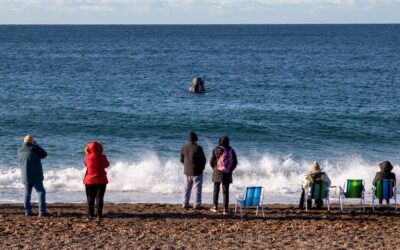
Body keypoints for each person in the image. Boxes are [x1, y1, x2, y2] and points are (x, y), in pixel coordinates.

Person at [18, 135, 48, 216]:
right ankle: (41, 212)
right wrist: (36, 145)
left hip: (25, 176)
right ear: (31, 141)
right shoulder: (34, 148)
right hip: (35, 176)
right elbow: (44, 154)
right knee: (41, 192)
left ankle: (27, 212)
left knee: (27, 193)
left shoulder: (19, 150)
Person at [209, 136, 238, 215]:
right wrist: (230, 169)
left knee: (216, 190)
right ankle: (225, 209)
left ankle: (215, 207)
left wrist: (215, 168)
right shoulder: (231, 150)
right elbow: (235, 162)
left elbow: (211, 161)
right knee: (225, 191)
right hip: (227, 173)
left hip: (217, 172)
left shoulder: (216, 149)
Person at [180, 131, 207, 209]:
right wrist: (202, 168)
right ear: (196, 139)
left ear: (189, 139)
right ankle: (197, 205)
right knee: (197, 189)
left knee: (186, 189)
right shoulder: (198, 148)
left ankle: (185, 204)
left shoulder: (184, 147)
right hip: (197, 171)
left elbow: (181, 159)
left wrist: (186, 165)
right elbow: (203, 160)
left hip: (186, 171)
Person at [83, 141, 110, 219]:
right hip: (101, 180)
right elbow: (107, 165)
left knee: (90, 198)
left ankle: (90, 215)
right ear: (100, 149)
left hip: (89, 180)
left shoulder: (87, 157)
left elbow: (85, 164)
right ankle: (99, 215)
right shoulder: (103, 157)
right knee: (100, 198)